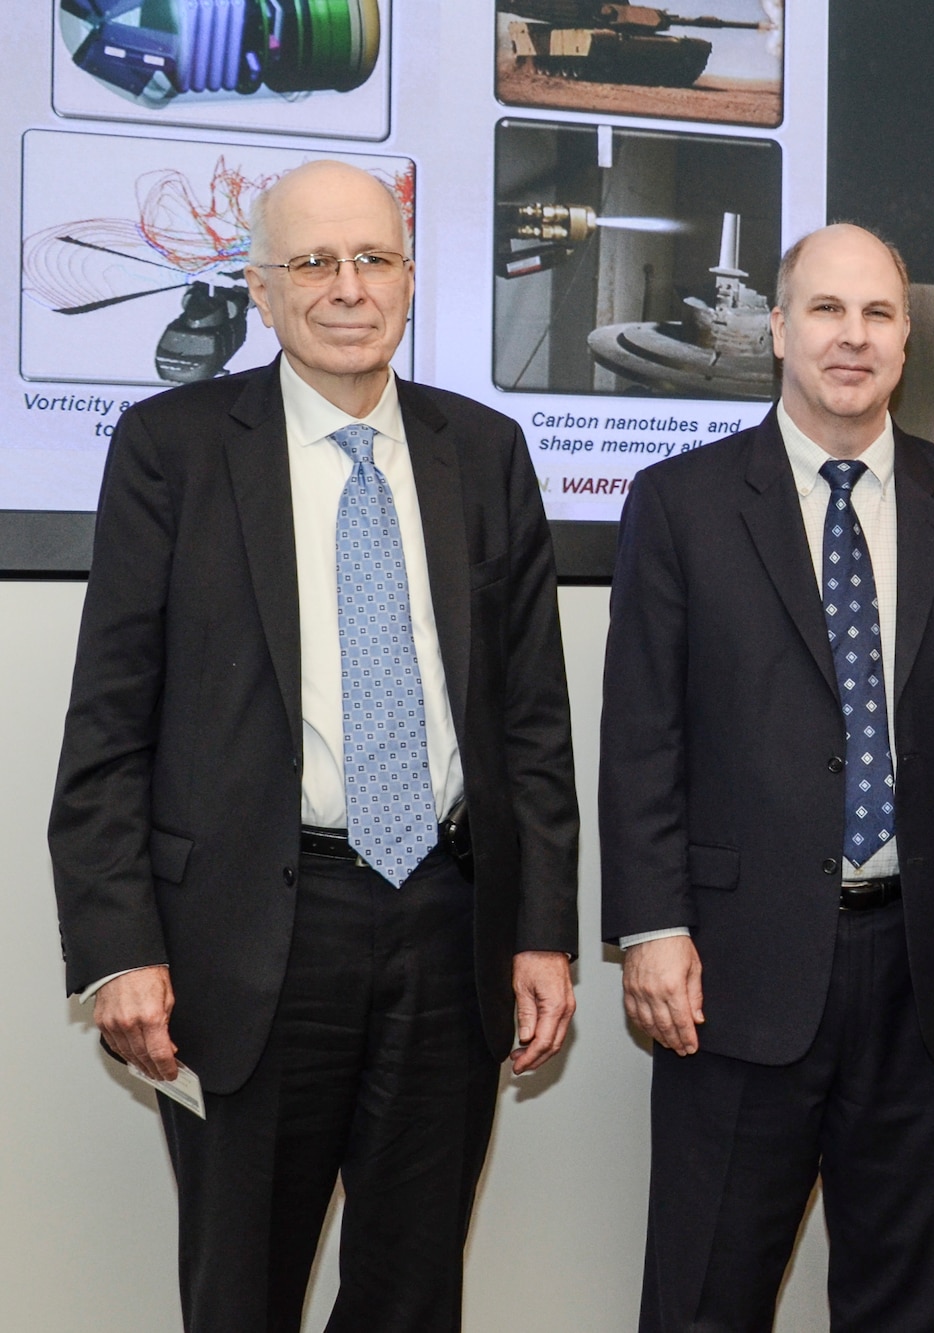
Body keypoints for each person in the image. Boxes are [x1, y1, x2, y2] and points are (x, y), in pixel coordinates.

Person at [47, 160, 579, 1330]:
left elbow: (532, 721)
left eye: (373, 259)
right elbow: (107, 721)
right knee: (244, 1292)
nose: (348, 288)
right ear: (261, 290)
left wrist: (542, 930)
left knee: (410, 1292)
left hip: (448, 926)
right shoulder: (172, 448)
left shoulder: (483, 450)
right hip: (249, 934)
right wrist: (117, 944)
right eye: (314, 263)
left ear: (408, 278)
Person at [600, 222, 934, 1332]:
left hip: (927, 972)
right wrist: (649, 927)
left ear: (905, 339)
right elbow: (642, 732)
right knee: (706, 1296)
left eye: (878, 314)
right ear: (778, 329)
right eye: (827, 311)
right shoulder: (680, 503)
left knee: (911, 1304)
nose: (852, 337)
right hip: (734, 974)